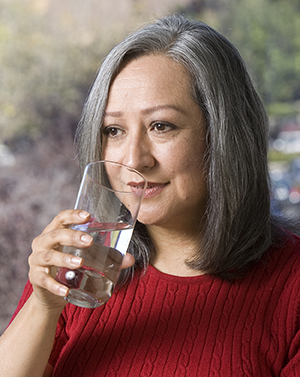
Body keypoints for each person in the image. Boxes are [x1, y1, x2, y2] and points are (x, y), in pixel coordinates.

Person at [1, 13, 300, 377]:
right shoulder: (80, 269)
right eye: (113, 130)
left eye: (161, 126)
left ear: (224, 136)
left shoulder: (291, 286)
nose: (133, 159)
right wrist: (43, 305)